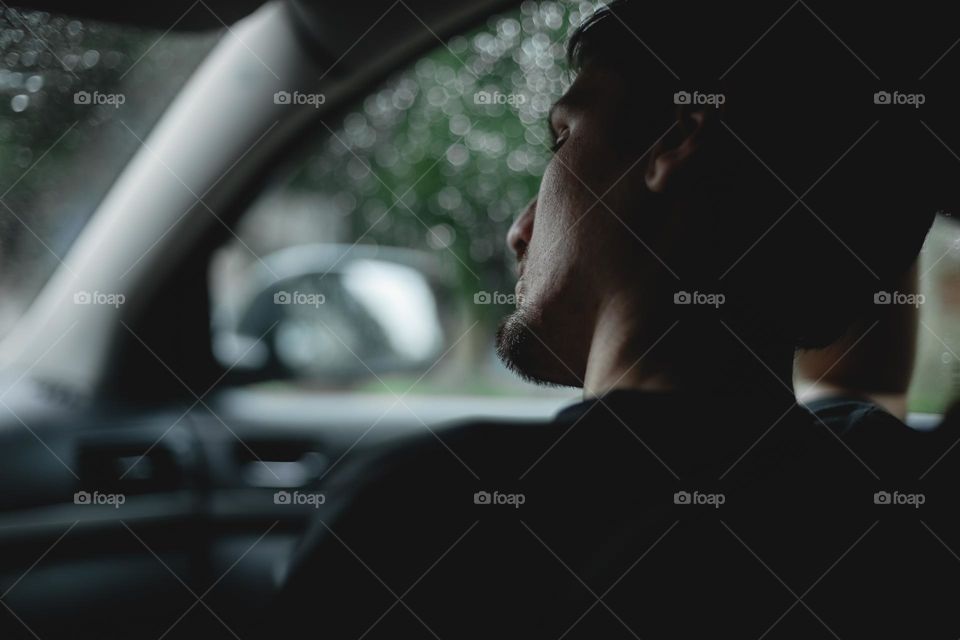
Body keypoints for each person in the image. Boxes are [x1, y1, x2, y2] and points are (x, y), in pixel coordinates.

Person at [262, 2, 956, 637]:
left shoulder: (425, 514)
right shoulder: (890, 501)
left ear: (675, 142)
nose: (517, 230)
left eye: (562, 138)